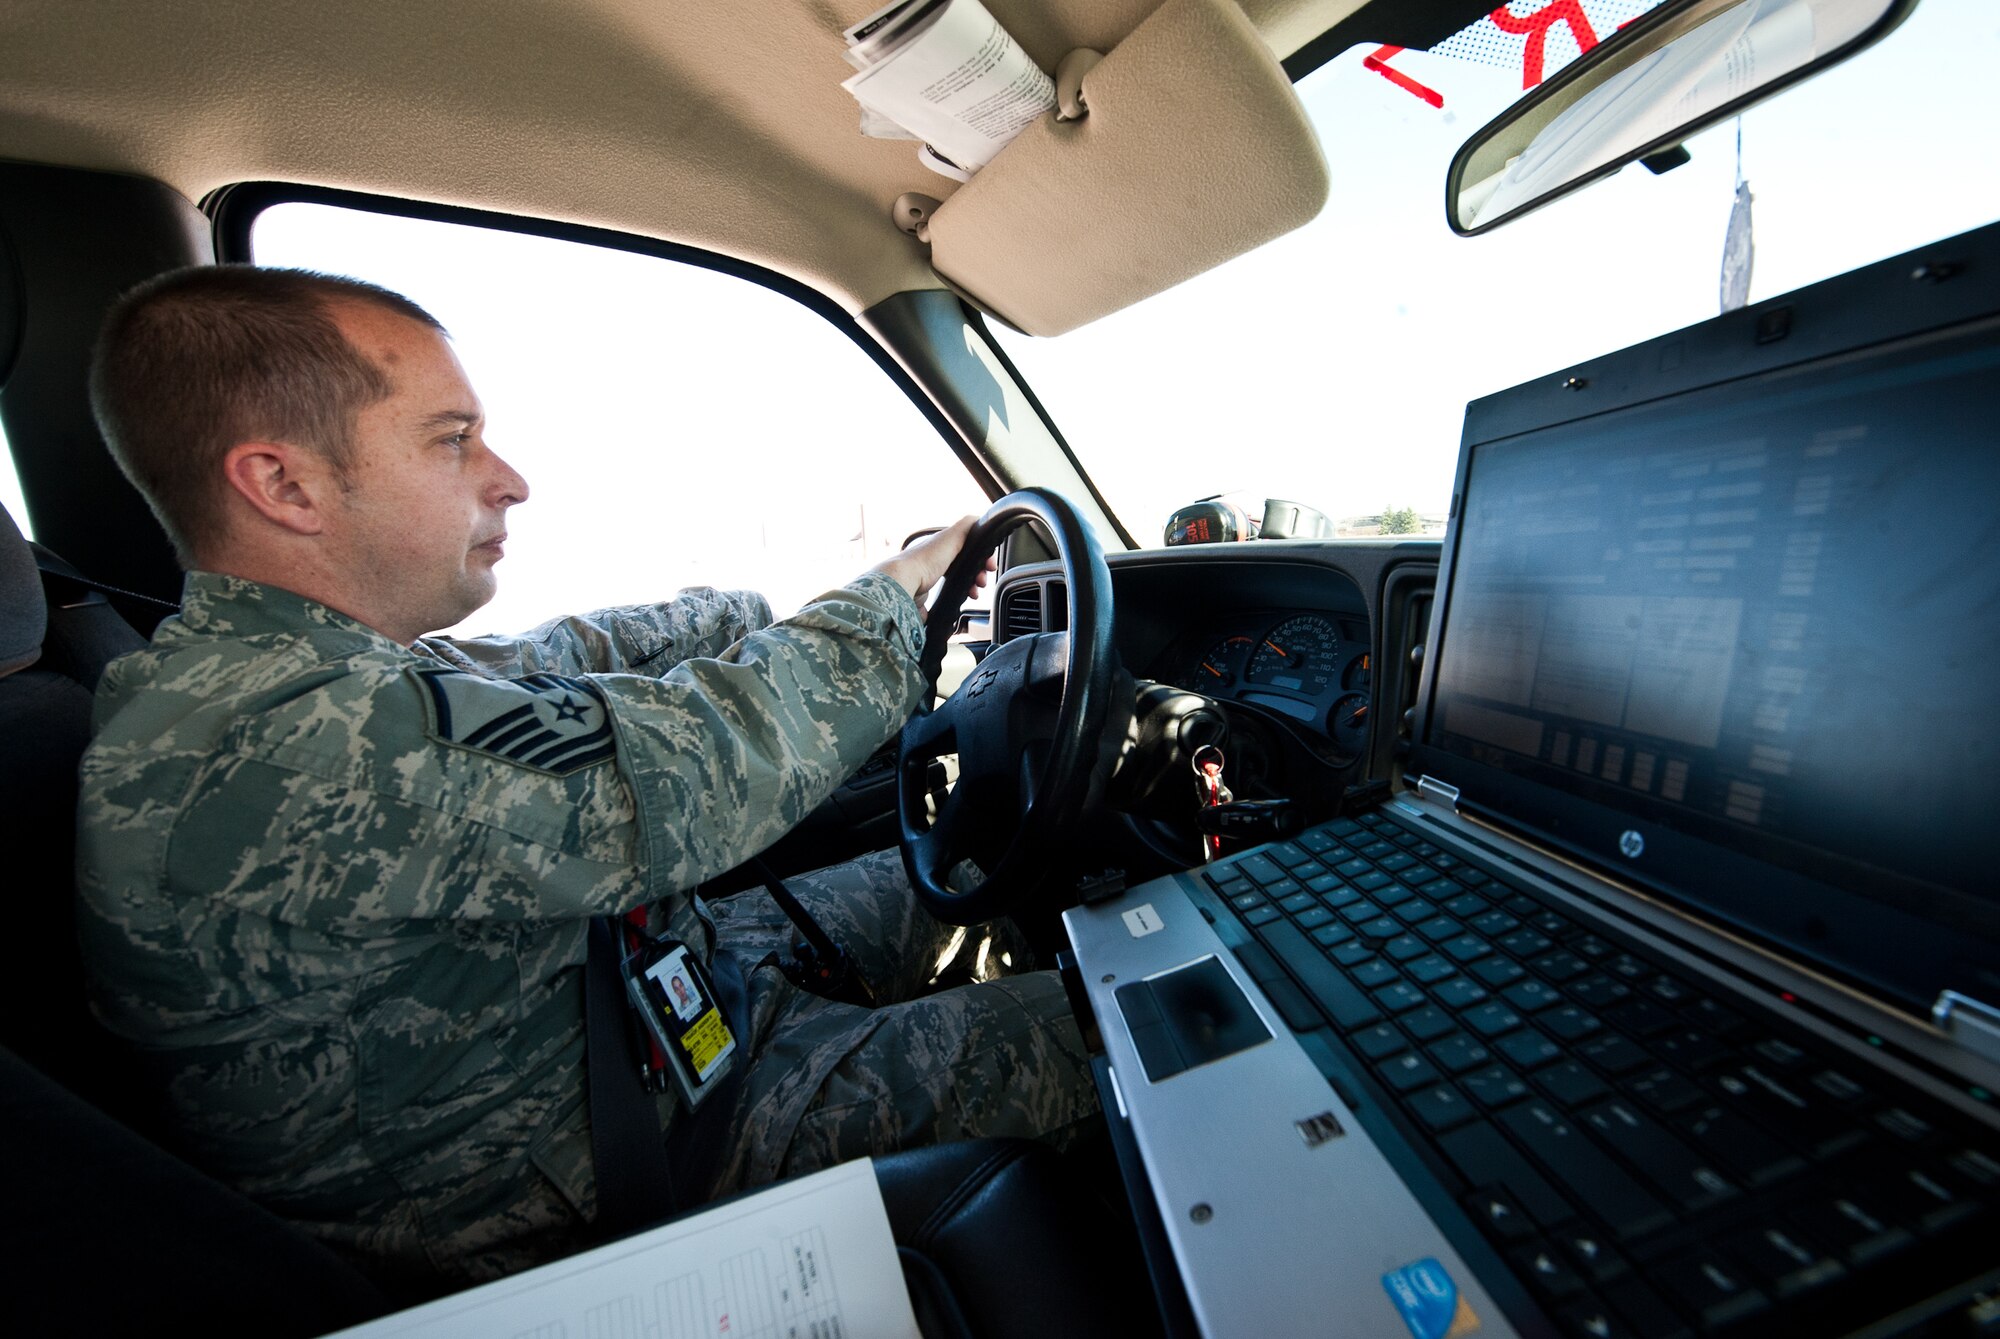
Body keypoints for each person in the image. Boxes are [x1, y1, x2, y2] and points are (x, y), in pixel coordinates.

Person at [74, 265, 1099, 1290]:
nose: (506, 477)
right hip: (631, 1163)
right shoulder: (278, 737)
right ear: (284, 484)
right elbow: (699, 769)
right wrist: (888, 599)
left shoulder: (294, 669)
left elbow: (555, 658)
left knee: (983, 858)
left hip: (611, 1018)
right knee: (1138, 1023)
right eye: (451, 439)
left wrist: (768, 609)